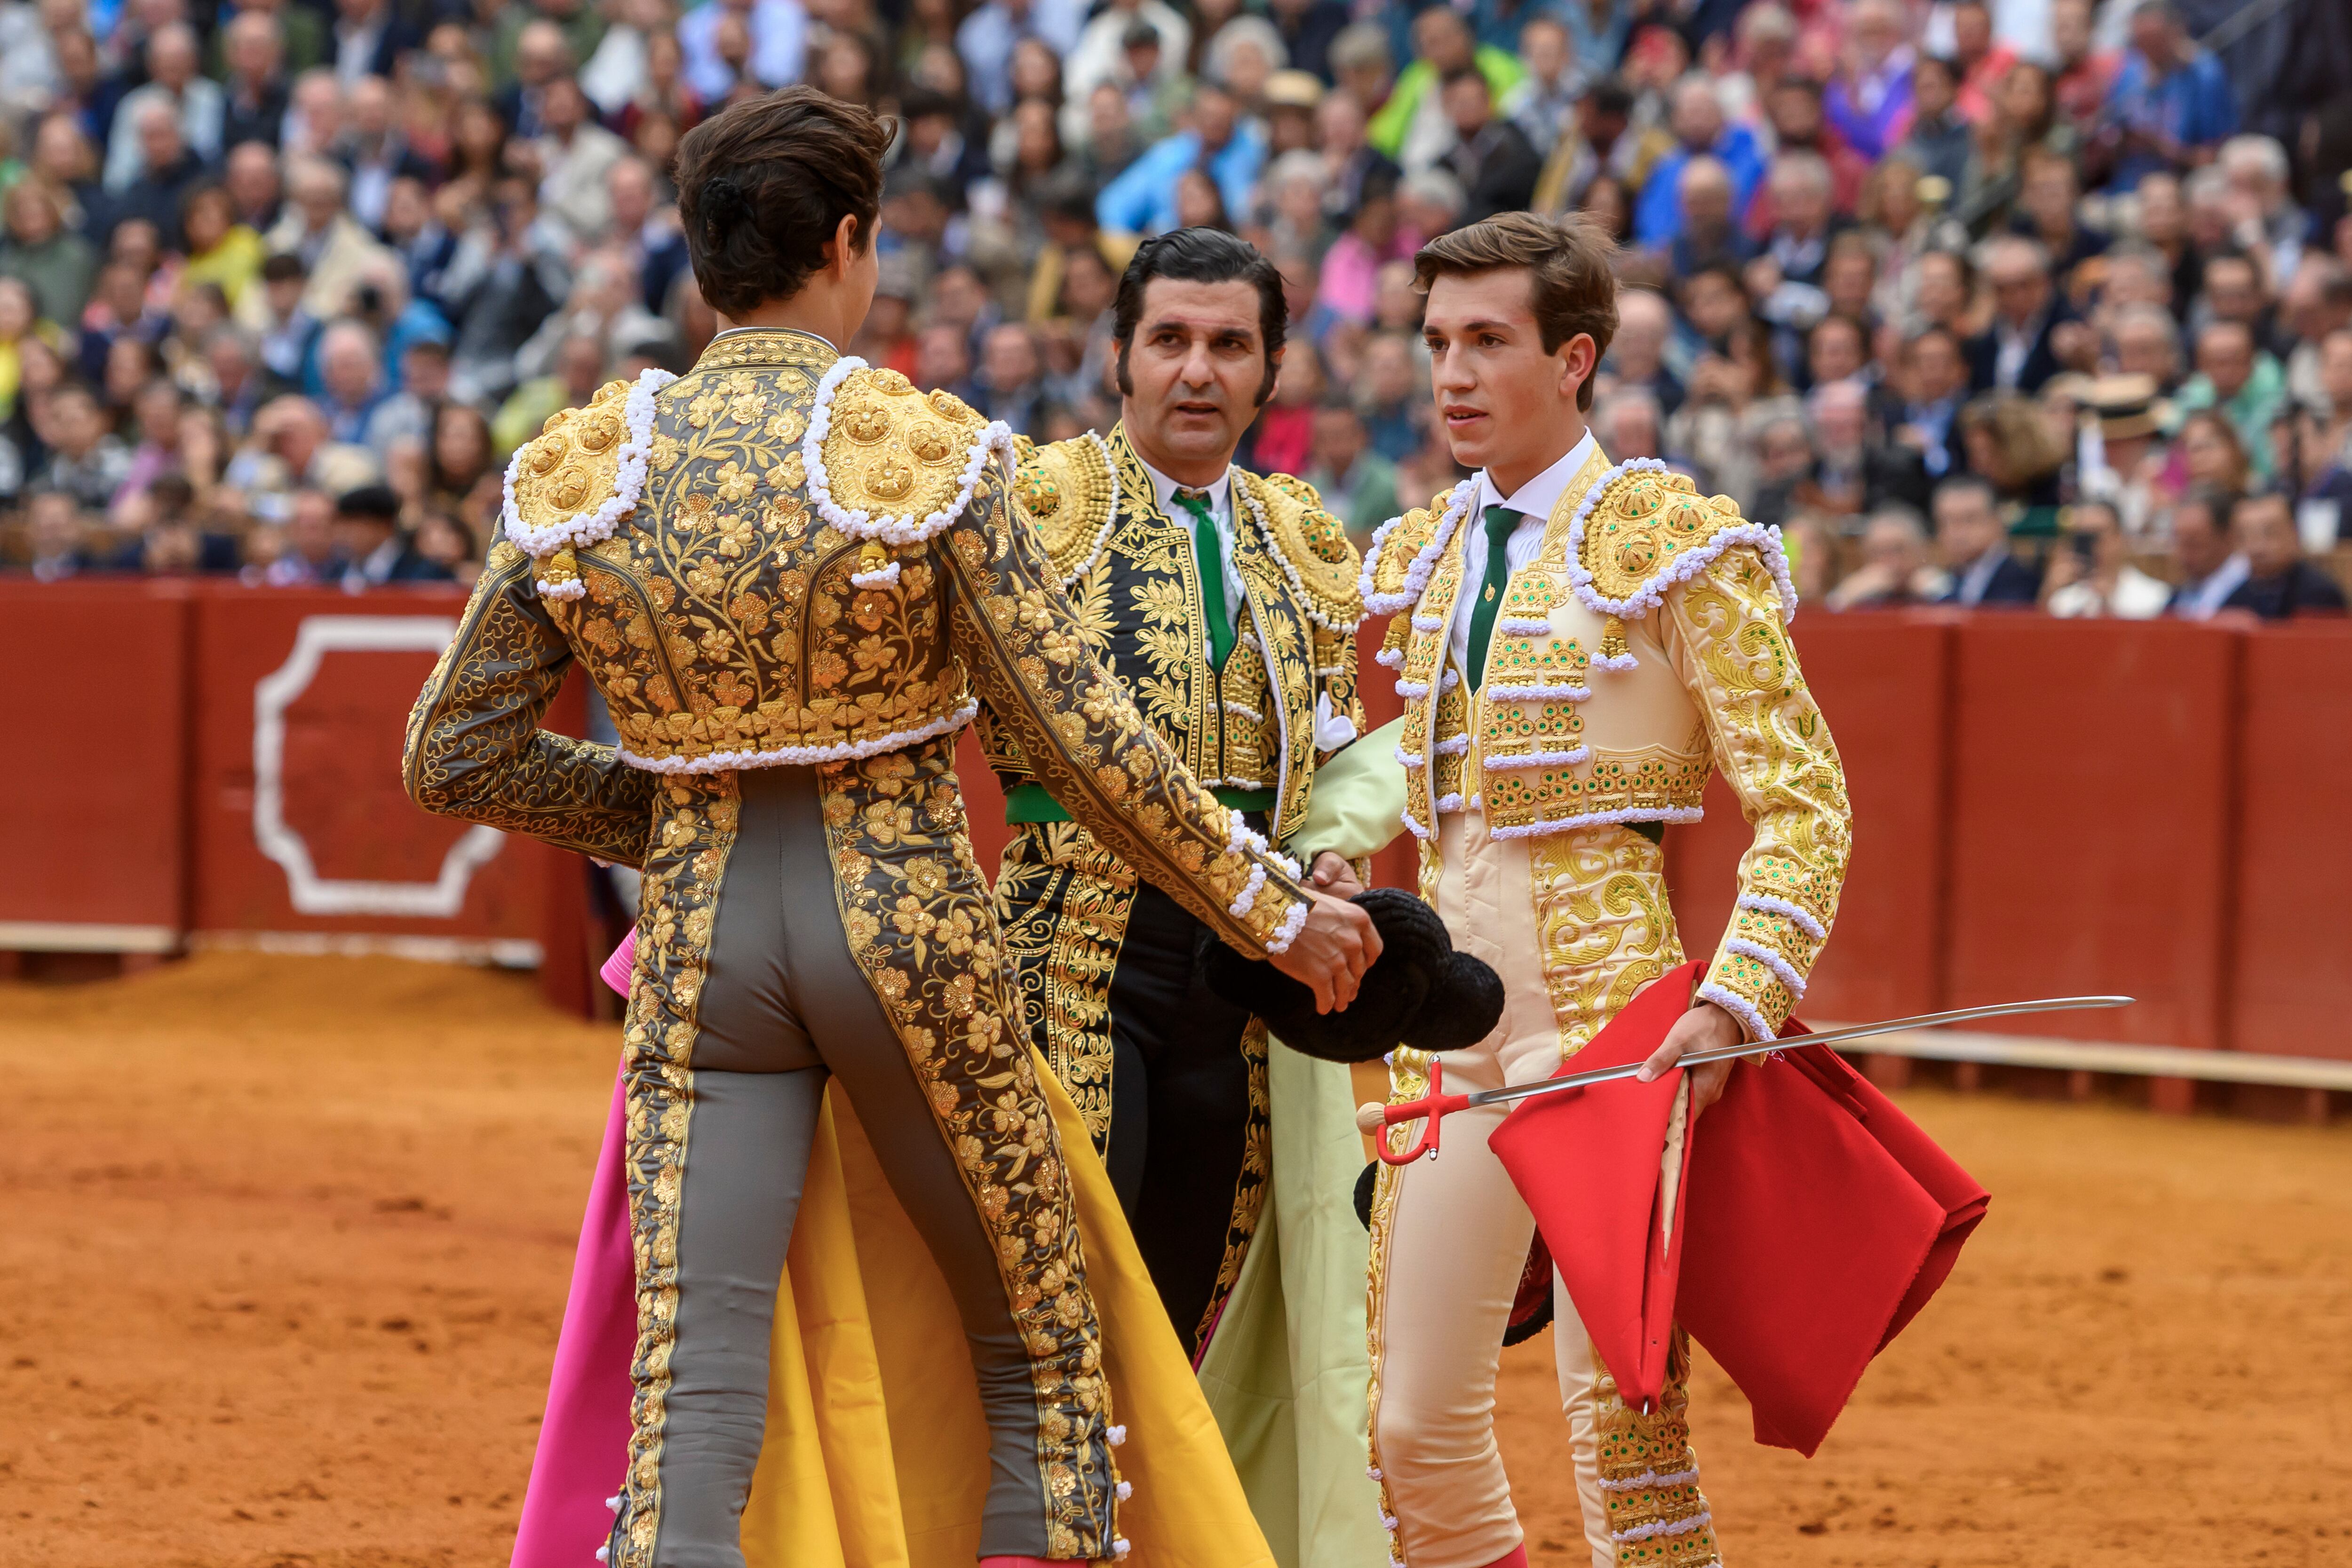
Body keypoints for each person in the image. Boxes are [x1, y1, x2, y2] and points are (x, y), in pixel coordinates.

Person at [402, 88, 1375, 1568]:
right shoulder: (922, 453)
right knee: (1041, 1347)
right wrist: (1271, 905)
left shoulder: (585, 469)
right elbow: (1083, 740)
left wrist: (678, 819)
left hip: (703, 945)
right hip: (905, 922)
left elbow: (451, 756)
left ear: (700, 250)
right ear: (849, 242)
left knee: (696, 1373)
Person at [1348, 210, 1850, 1568]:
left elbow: (1805, 799)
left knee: (1624, 1427)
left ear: (1573, 359)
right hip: (1450, 1028)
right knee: (1407, 1423)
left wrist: (1737, 1000)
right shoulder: (1424, 551)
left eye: (1488, 341)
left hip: (1613, 1028)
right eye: (1437, 341)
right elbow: (1392, 780)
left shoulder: (1669, 542)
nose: (1452, 373)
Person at [990, 232, 1383, 1562]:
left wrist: (1326, 858)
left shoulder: (1302, 539)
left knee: (1181, 1311)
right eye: (1169, 340)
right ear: (1119, 356)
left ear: (1270, 370)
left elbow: (1326, 756)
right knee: (1064, 1303)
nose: (1197, 372)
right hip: (1068, 949)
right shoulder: (1036, 503)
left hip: (1240, 984)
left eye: (1228, 345)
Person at [2221, 488, 2348, 619]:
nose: (2257, 547)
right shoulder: (2234, 601)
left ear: (2295, 533)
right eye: (2246, 536)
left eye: (2270, 533)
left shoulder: (2320, 596)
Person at [2042, 497, 2170, 617]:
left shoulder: (2154, 595)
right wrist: (2049, 592)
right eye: (2083, 536)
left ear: (2119, 538)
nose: (2091, 545)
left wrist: (2108, 602)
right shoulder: (2063, 599)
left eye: (2097, 534)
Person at [1932, 471, 2039, 605]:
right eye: (1947, 522)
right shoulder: (1951, 581)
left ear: (1997, 521)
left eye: (1970, 520)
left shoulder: (2020, 583)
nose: (1958, 533)